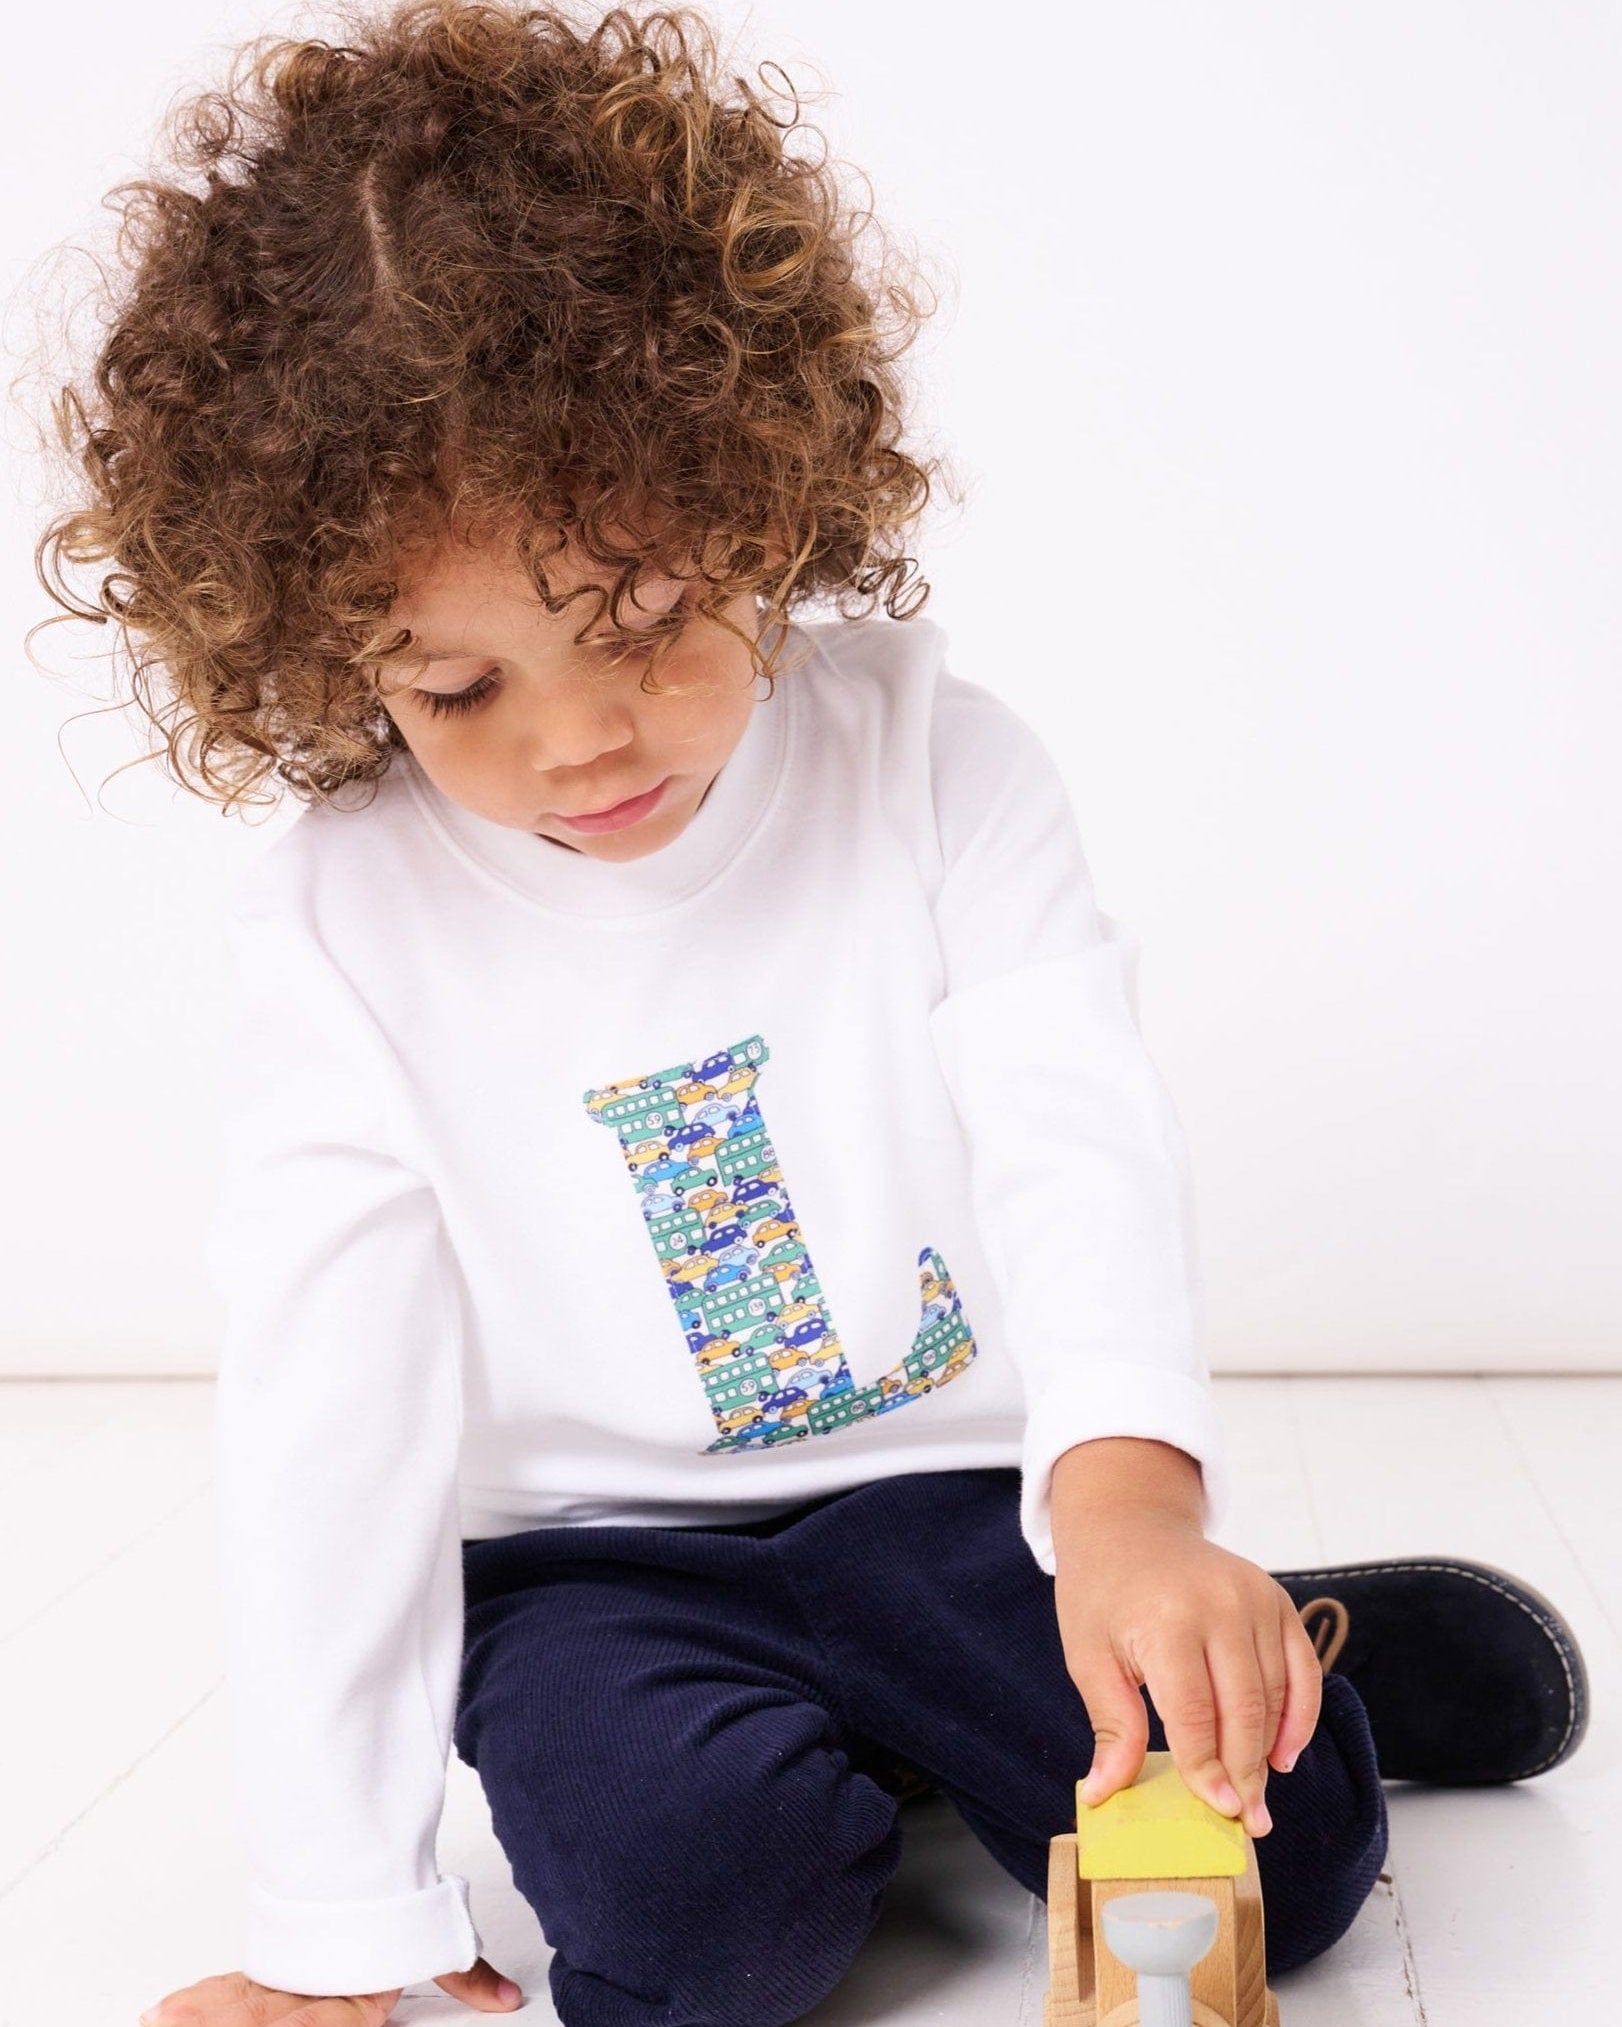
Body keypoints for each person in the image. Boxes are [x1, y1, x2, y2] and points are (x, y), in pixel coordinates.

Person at [32, 4, 1587, 2024]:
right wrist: (338, 1917)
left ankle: (1276, 1641)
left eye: (645, 621)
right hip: (592, 1578)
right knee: (700, 1933)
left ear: (764, 496)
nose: (578, 741)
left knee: (1279, 1879)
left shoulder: (940, 767)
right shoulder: (346, 921)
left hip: (950, 1504)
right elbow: (334, 1413)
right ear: (328, 655)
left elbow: (1068, 1138)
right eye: (458, 689)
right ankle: (912, 1743)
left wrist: (1120, 1510)